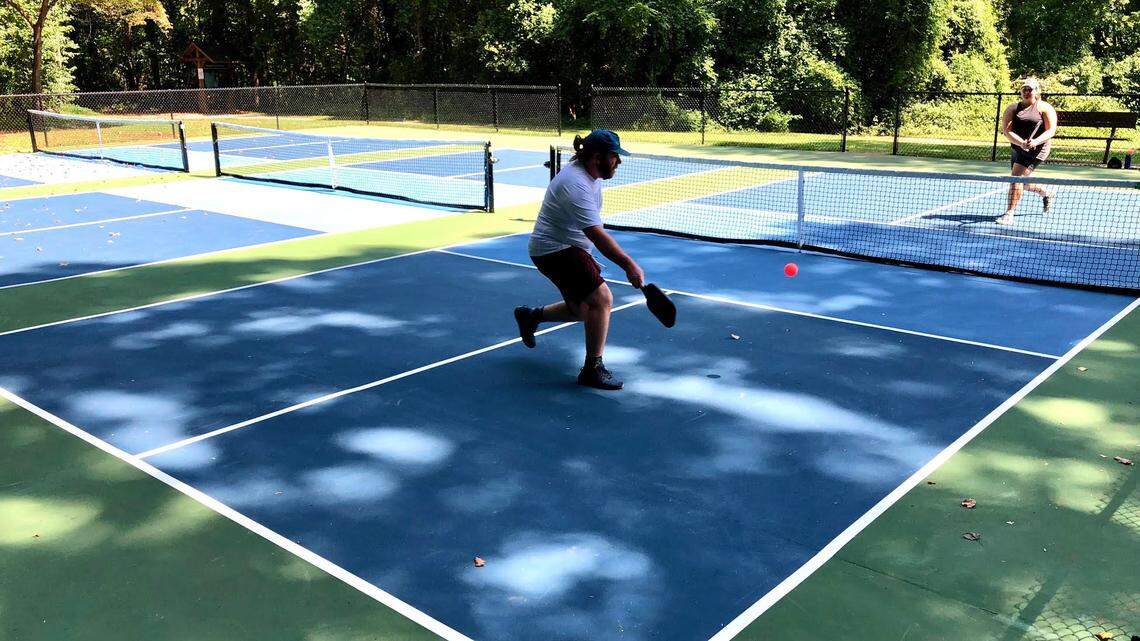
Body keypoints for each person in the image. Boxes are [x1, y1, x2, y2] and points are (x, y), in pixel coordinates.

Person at [514, 130, 645, 391]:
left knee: (582, 311)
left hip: (566, 247)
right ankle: (592, 369)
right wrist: (629, 265)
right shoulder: (576, 184)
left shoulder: (590, 174)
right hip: (556, 249)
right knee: (602, 299)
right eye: (614, 156)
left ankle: (531, 317)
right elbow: (596, 235)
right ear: (597, 157)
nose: (618, 162)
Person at [997, 77, 1057, 225]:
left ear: (1037, 92)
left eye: (1030, 89)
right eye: (1024, 89)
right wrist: (1021, 143)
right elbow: (1007, 131)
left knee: (1016, 178)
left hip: (1038, 149)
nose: (1026, 91)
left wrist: (1035, 141)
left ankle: (1009, 213)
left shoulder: (1045, 108)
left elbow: (1051, 130)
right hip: (1018, 148)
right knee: (1021, 181)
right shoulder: (1012, 108)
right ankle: (1046, 193)